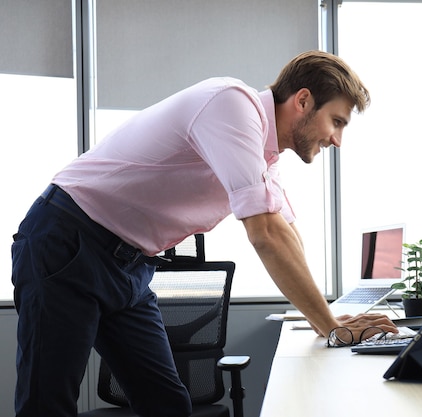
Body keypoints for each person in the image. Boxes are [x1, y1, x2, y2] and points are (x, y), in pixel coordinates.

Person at [11, 50, 398, 417]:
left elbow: (286, 231)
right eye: (337, 121)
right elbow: (264, 234)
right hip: (68, 240)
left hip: (129, 266)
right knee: (48, 404)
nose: (337, 140)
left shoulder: (265, 154)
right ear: (302, 100)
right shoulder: (231, 105)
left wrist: (327, 319)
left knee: (168, 405)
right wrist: (330, 328)